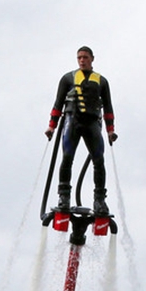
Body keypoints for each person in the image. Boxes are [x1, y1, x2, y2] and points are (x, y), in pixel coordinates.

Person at [45, 46, 118, 215]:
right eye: (79, 57)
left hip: (92, 123)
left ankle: (99, 200)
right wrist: (51, 126)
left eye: (85, 57)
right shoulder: (67, 78)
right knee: (67, 158)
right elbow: (58, 104)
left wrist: (110, 130)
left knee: (98, 161)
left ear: (92, 58)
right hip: (73, 122)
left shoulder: (102, 81)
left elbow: (108, 107)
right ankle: (64, 196)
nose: (82, 60)